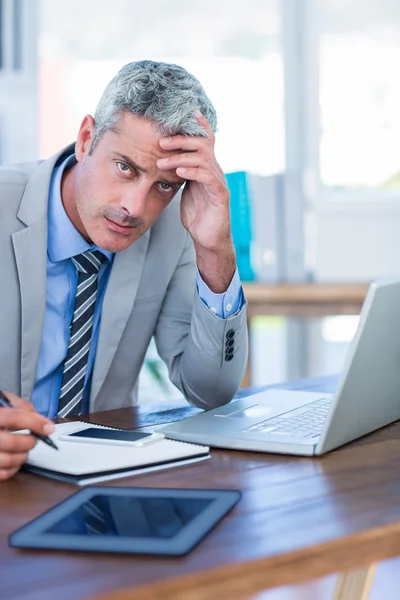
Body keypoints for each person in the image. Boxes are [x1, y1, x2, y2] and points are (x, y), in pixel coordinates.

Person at [0, 60, 248, 480]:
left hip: (99, 477)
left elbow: (211, 390)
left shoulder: (175, 230)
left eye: (164, 185)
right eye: (125, 168)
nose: (135, 208)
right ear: (85, 139)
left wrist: (215, 249)